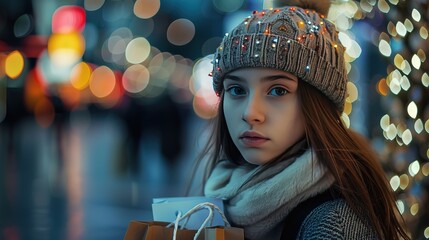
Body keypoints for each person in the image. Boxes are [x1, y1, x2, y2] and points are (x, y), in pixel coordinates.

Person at [187, 0, 410, 239]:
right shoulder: (222, 197)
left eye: (278, 91)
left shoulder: (334, 225)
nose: (250, 113)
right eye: (237, 90)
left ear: (317, 104)